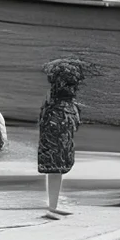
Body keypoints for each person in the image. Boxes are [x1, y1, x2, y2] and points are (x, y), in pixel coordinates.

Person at [38, 56, 85, 219]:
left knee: (54, 170)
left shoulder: (50, 102)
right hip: (60, 134)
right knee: (56, 169)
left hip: (54, 133)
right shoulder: (69, 105)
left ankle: (53, 205)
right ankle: (52, 206)